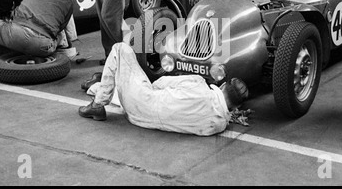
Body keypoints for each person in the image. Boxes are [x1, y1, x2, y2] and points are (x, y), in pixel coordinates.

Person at [78, 43, 249, 136]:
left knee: (120, 49)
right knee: (132, 87)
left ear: (223, 85)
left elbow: (160, 83)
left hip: (140, 104)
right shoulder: (218, 125)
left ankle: (97, 105)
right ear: (234, 108)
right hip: (140, 121)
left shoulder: (198, 83)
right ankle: (99, 85)